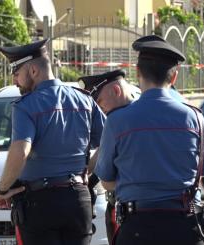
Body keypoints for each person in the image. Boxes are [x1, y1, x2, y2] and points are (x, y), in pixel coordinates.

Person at [95, 35, 204, 245]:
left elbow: (106, 180)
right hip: (185, 227)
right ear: (174, 77)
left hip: (137, 228)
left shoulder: (117, 120)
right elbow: (200, 175)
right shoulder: (196, 118)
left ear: (137, 72)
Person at [0, 39, 105, 245]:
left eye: (17, 74)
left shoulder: (25, 106)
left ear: (33, 70)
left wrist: (1, 190)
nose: (15, 82)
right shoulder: (85, 99)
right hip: (79, 201)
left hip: (40, 205)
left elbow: (20, 150)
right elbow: (108, 141)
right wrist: (87, 173)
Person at [79, 69, 134, 245]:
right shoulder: (118, 120)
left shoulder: (120, 120)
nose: (100, 109)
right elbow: (103, 152)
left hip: (131, 208)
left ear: (116, 91)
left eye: (100, 102)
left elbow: (106, 179)